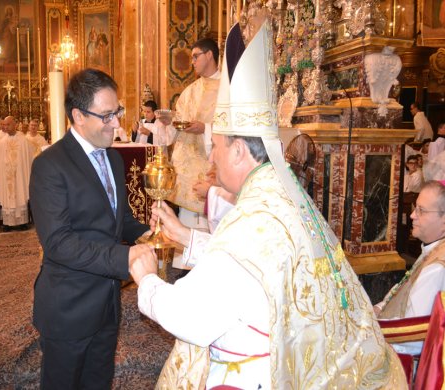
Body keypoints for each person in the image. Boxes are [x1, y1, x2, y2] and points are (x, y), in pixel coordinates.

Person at [130, 21, 406, 388]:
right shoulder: (281, 194)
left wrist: (146, 278)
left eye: (218, 147)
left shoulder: (254, 218)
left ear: (240, 150)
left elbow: (192, 318)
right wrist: (185, 237)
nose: (211, 158)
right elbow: (256, 264)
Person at [29, 68, 153, 389]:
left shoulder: (112, 159)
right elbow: (59, 242)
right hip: (69, 306)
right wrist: (126, 258)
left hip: (107, 303)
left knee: (99, 381)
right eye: (107, 116)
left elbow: (119, 219)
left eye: (118, 112)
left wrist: (147, 232)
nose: (117, 124)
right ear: (78, 116)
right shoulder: (50, 165)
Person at [376, 180, 445, 354]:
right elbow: (403, 289)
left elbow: (414, 338)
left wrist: (370, 331)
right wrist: (379, 308)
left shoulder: (437, 267)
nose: (413, 215)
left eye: (421, 210)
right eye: (415, 208)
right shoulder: (433, 248)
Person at [165, 37, 221, 231]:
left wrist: (205, 128)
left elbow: (233, 128)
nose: (192, 62)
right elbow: (176, 125)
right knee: (186, 225)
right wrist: (168, 123)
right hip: (187, 170)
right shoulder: (189, 91)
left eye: (196, 56)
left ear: (210, 55)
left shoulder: (227, 89)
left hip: (213, 168)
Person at [0, 116, 34, 231]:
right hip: (6, 176)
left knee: (20, 194)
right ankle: (7, 223)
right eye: (4, 125)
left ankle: (22, 222)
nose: (6, 127)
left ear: (15, 124)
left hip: (20, 175)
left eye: (8, 124)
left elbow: (28, 159)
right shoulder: (1, 142)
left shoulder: (23, 141)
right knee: (7, 197)